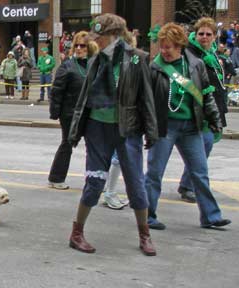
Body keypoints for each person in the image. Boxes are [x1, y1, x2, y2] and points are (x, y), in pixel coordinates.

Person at [68, 14, 158, 256]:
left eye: (101, 37)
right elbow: (84, 98)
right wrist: (75, 130)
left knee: (136, 184)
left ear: (116, 36)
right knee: (95, 182)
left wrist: (151, 130)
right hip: (97, 128)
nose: (97, 42)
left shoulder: (137, 60)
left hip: (127, 128)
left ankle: (144, 235)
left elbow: (146, 98)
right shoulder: (97, 59)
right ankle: (77, 233)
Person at [146, 22, 231, 230]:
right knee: (155, 172)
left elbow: (206, 94)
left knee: (200, 172)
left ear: (180, 46)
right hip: (165, 127)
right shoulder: (154, 67)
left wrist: (215, 122)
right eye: (162, 46)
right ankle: (147, 216)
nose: (164, 51)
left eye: (169, 47)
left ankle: (210, 216)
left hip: (191, 127)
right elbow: (145, 101)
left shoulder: (195, 65)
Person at [177, 17, 229, 203]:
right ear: (195, 34)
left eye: (209, 34)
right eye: (201, 34)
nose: (204, 37)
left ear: (215, 36)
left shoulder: (213, 55)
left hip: (214, 107)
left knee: (203, 148)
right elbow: (179, 77)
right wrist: (195, 94)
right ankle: (189, 186)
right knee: (202, 146)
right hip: (198, 108)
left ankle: (186, 184)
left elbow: (218, 82)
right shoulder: (188, 53)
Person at [48, 31, 98, 190]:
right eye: (76, 45)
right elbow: (57, 91)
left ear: (89, 47)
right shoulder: (68, 66)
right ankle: (56, 178)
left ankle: (94, 181)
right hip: (70, 114)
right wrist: (55, 112)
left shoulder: (95, 64)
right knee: (67, 144)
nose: (78, 48)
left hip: (91, 113)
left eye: (82, 45)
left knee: (94, 147)